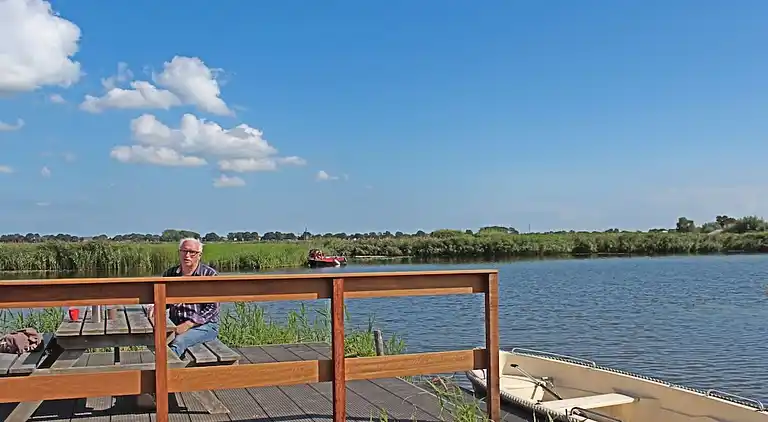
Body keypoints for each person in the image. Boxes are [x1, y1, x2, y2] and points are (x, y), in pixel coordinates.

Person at [149, 237, 219, 358]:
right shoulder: (169, 274)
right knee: (156, 340)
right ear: (179, 252)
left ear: (199, 255)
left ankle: (168, 369)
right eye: (184, 251)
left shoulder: (210, 275)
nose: (187, 255)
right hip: (175, 323)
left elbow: (213, 308)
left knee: (178, 342)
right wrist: (155, 305)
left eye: (192, 252)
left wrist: (188, 324)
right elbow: (164, 300)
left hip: (205, 326)